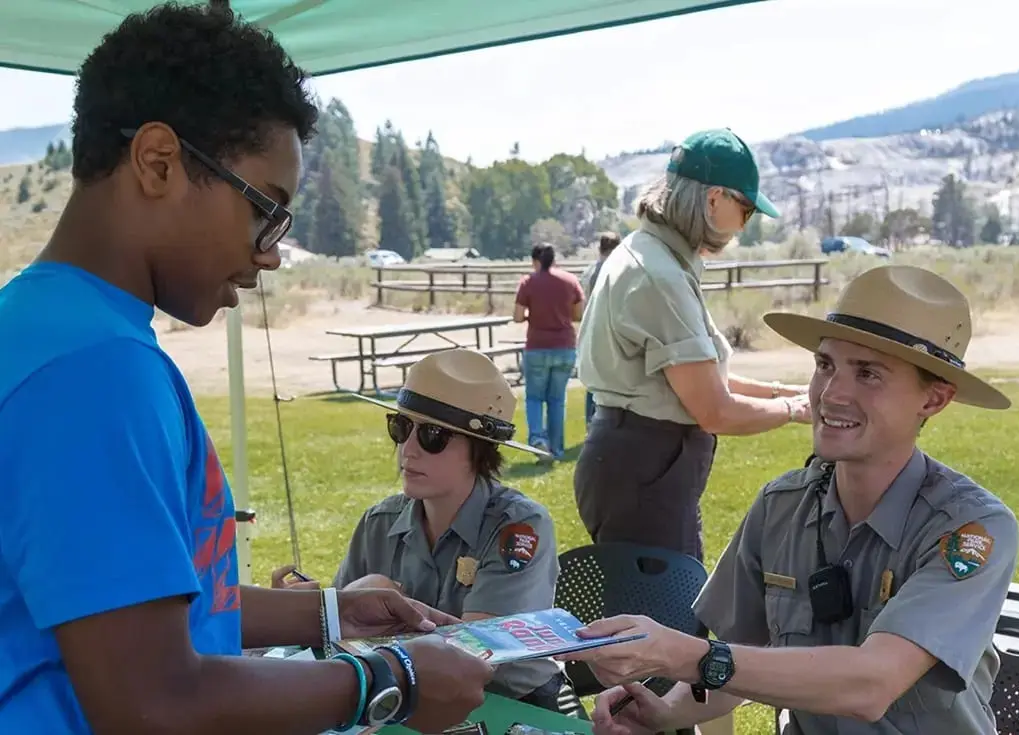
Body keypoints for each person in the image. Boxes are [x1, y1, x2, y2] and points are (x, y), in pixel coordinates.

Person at [0, 5, 493, 734]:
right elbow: (154, 702)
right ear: (159, 162)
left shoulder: (45, 326)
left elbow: (126, 607)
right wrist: (393, 678)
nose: (269, 254)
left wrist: (328, 611)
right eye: (268, 209)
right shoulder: (93, 371)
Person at [561, 264, 1019, 735]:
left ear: (934, 400)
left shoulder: (969, 529)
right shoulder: (782, 507)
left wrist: (685, 656)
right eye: (826, 365)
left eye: (868, 374)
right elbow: (742, 660)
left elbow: (872, 684)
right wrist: (663, 713)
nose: (832, 394)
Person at [272, 348, 565, 711]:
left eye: (432, 435)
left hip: (511, 706)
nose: (407, 450)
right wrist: (308, 612)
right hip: (406, 701)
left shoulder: (518, 528)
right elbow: (343, 637)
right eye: (401, 427)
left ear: (481, 449)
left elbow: (474, 654)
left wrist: (366, 601)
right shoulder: (378, 523)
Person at [574, 128, 812, 562]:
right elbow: (714, 409)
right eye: (746, 209)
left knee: (650, 617)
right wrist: (795, 411)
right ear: (714, 198)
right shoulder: (659, 275)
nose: (746, 223)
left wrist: (783, 393)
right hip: (647, 471)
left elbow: (701, 378)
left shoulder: (651, 255)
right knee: (663, 621)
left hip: (640, 465)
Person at [513, 243, 585, 461]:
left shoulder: (528, 282)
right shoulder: (570, 281)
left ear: (535, 261)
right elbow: (579, 314)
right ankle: (557, 448)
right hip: (564, 345)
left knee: (534, 397)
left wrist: (531, 316)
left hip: (537, 345)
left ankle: (538, 440)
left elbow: (517, 316)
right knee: (557, 400)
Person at [579, 231, 622, 427]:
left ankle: (592, 420)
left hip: (591, 329)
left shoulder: (590, 270)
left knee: (594, 378)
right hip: (608, 329)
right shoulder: (614, 270)